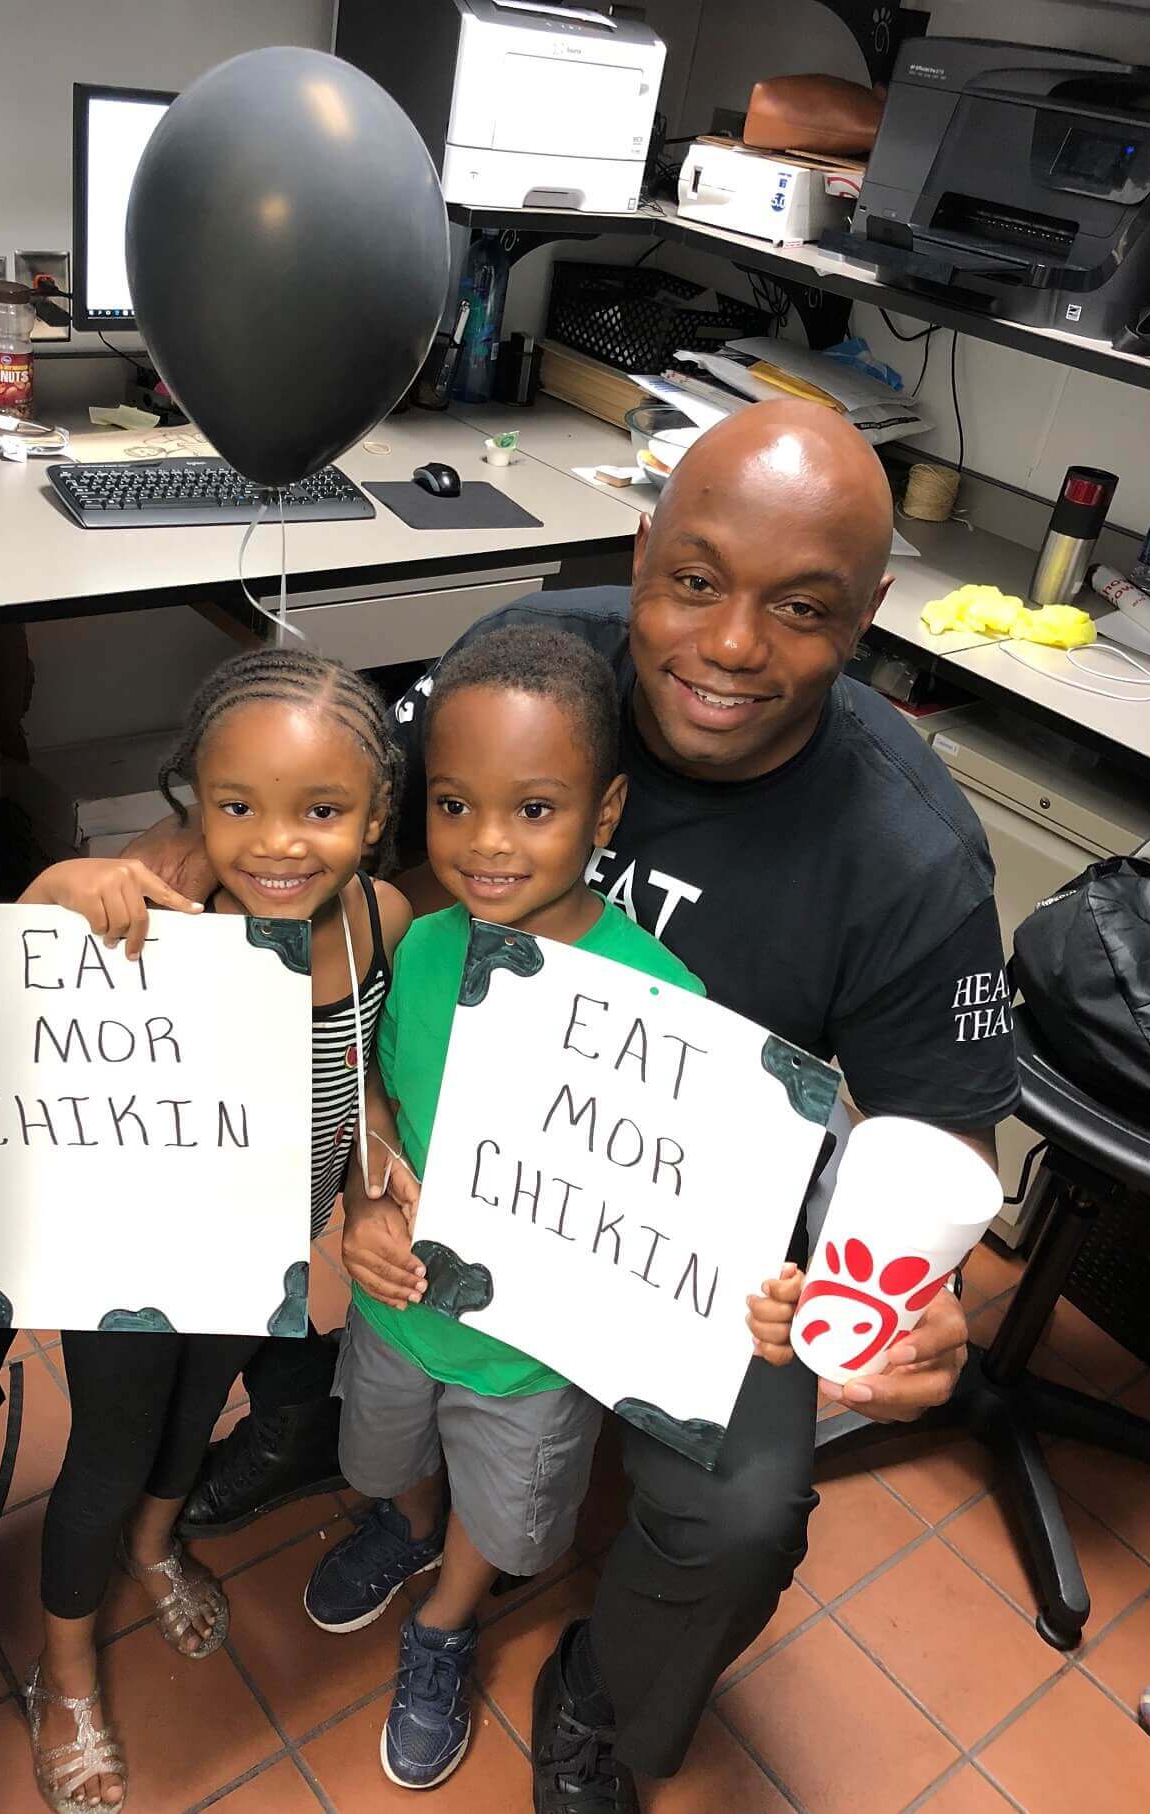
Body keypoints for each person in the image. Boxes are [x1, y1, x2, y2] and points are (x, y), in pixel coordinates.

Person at [132, 400, 1016, 1809]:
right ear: (641, 540)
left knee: (740, 1507)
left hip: (715, 1244)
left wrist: (926, 1282)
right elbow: (333, 806)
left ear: (872, 615)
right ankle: (320, 1425)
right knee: (264, 1125)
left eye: (804, 608)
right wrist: (182, 848)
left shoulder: (909, 856)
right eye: (695, 581)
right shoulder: (519, 667)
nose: (732, 646)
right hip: (429, 1128)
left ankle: (609, 1692)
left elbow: (944, 1139)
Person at [300, 627, 806, 1790]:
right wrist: (368, 1183)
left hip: (533, 1357)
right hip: (401, 1302)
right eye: (454, 803)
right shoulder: (419, 945)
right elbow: (370, 1087)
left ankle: (448, 1612)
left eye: (532, 809)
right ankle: (409, 1528)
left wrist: (758, 1293)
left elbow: (703, 1198)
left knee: (508, 1503)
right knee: (384, 1451)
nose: (485, 843)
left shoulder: (661, 1001)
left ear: (605, 808)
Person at [17, 648, 412, 1812]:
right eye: (237, 805)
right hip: (133, 1253)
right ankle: (66, 1663)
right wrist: (57, 890)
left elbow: (363, 1073)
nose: (277, 842)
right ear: (193, 795)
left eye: (322, 810)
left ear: (376, 814)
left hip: (262, 1246)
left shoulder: (380, 918)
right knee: (109, 1440)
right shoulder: (154, 902)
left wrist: (368, 1175)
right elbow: (19, 957)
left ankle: (152, 1544)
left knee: (198, 1412)